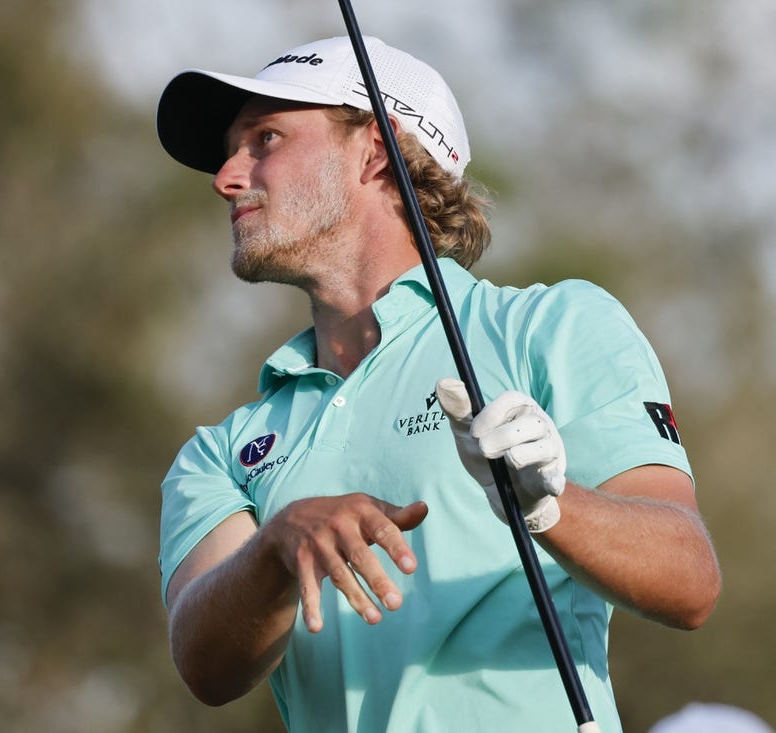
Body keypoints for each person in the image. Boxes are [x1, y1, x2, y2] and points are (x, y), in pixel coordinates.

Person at [155, 35, 721, 732]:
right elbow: (206, 666)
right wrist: (276, 545)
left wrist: (549, 507)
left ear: (376, 149)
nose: (227, 176)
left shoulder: (550, 326)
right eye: (229, 149)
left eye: (264, 138)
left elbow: (689, 578)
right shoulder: (221, 451)